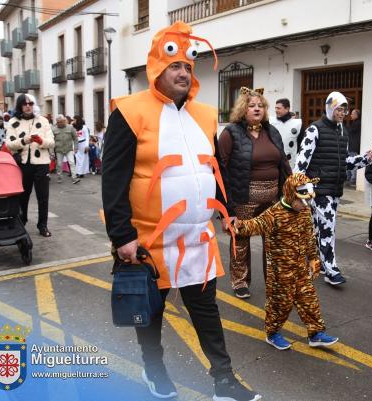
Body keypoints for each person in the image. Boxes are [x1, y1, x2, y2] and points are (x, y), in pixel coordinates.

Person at [102, 20, 260, 401]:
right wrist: (121, 235)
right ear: (156, 68)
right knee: (151, 315)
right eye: (175, 65)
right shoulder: (129, 111)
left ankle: (224, 380)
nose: (183, 72)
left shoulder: (204, 115)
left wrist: (228, 210)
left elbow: (212, 166)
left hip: (196, 239)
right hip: (148, 241)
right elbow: (113, 177)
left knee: (207, 313)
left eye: (189, 66)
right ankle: (154, 370)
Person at [235, 173, 339, 350]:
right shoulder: (274, 214)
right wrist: (237, 225)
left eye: (308, 201)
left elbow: (308, 237)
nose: (305, 205)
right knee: (280, 304)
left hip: (300, 267)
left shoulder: (304, 211)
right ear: (291, 195)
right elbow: (254, 225)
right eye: (302, 201)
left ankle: (315, 334)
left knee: (309, 300)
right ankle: (272, 333)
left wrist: (313, 258)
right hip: (280, 272)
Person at [218, 87, 291, 299]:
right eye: (252, 106)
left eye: (261, 105)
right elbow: (220, 169)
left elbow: (284, 164)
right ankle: (240, 280)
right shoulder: (231, 132)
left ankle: (274, 280)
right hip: (243, 198)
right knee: (240, 240)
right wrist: (226, 208)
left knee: (274, 241)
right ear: (243, 109)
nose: (257, 109)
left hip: (274, 198)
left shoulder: (272, 131)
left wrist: (293, 193)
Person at [294, 92, 372, 286]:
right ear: (330, 107)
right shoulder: (314, 130)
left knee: (317, 229)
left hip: (335, 188)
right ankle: (331, 269)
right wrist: (299, 192)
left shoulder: (342, 132)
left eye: (344, 109)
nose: (342, 112)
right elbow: (301, 162)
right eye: (339, 108)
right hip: (319, 189)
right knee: (327, 230)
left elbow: (343, 161)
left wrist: (363, 159)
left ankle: (311, 263)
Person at [5, 94, 55, 237]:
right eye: (25, 103)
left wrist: (41, 141)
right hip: (23, 164)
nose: (28, 106)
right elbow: (9, 144)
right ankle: (22, 222)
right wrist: (25, 140)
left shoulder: (43, 121)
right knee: (23, 196)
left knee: (43, 197)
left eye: (31, 103)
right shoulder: (13, 121)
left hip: (41, 164)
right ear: (20, 105)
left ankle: (43, 225)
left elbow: (51, 142)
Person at [269, 98, 302, 171]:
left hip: (291, 164)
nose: (276, 110)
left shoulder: (298, 124)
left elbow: (300, 145)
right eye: (275, 108)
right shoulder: (270, 122)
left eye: (279, 108)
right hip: (273, 163)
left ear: (287, 109)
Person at [52, 115, 79, 184]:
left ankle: (74, 178)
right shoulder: (54, 129)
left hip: (69, 149)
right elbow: (51, 141)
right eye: (58, 122)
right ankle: (59, 177)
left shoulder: (70, 127)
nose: (59, 123)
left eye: (61, 122)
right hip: (59, 150)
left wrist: (76, 147)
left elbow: (75, 138)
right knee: (59, 164)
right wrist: (52, 152)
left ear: (64, 121)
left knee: (72, 162)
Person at [346, 108, 361, 186]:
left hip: (354, 147)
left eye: (352, 114)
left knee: (353, 163)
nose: (351, 115)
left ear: (356, 115)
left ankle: (353, 180)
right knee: (349, 162)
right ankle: (349, 178)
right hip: (351, 146)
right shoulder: (354, 123)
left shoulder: (357, 123)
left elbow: (349, 130)